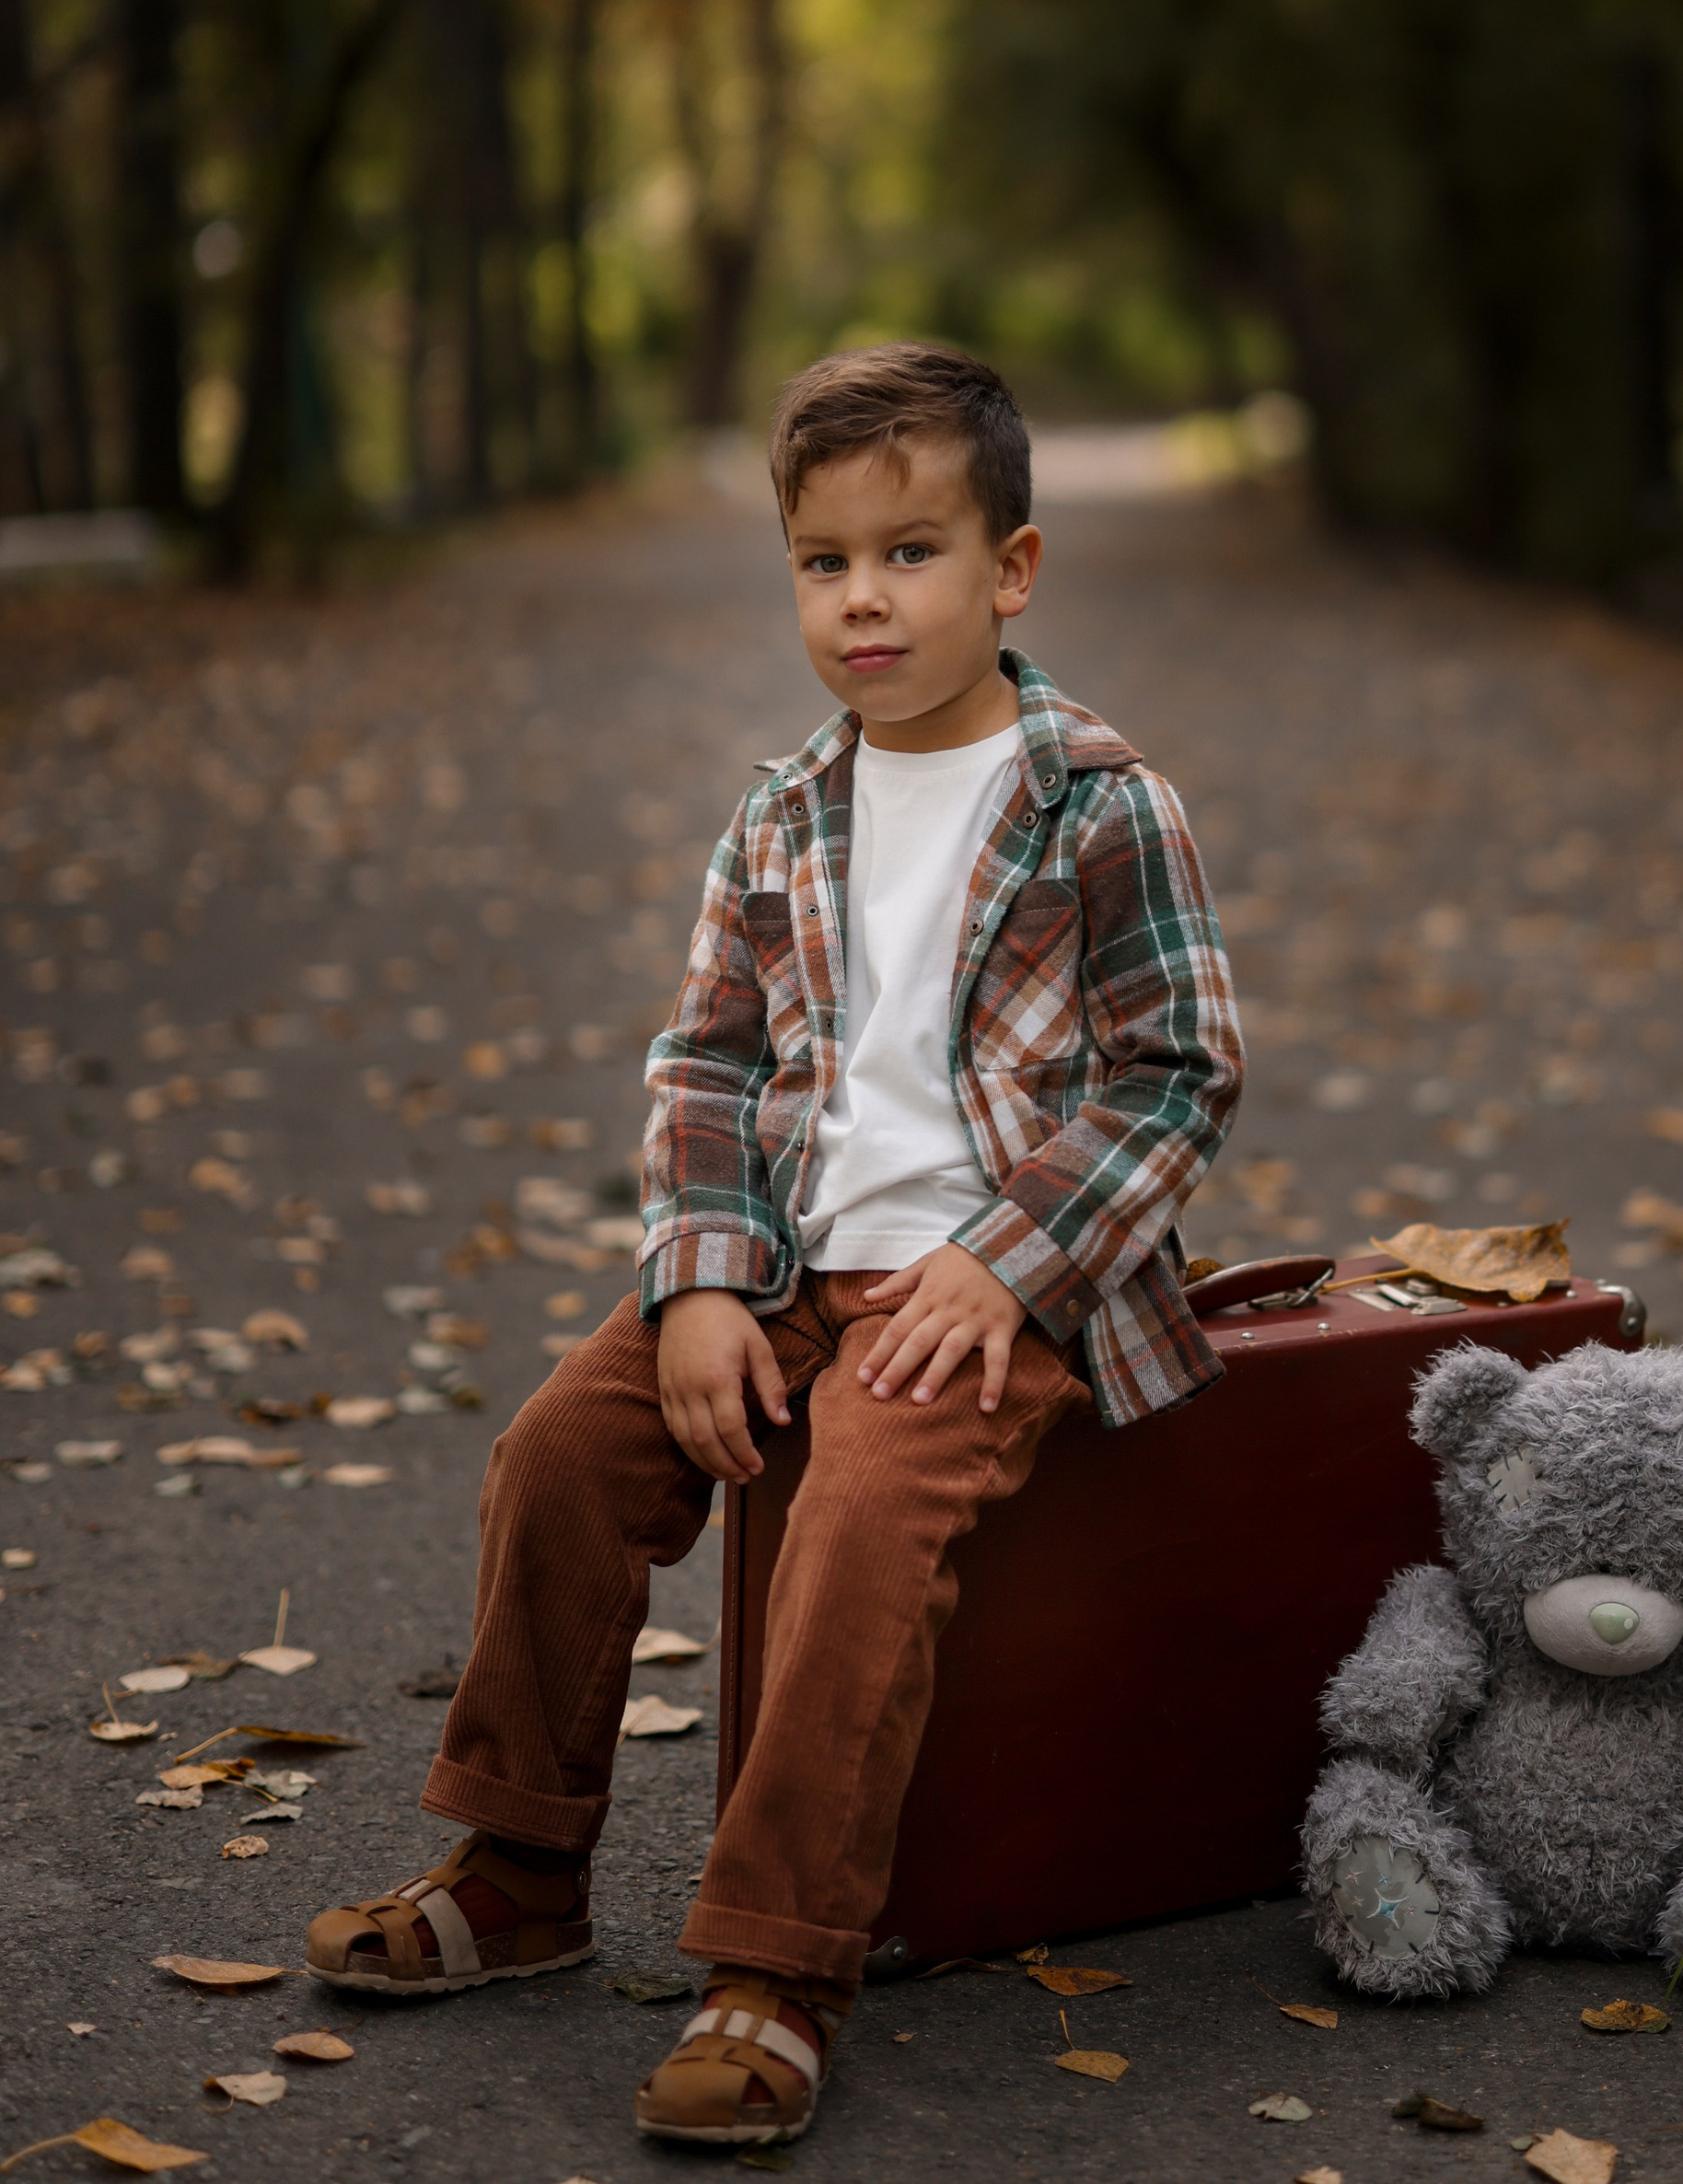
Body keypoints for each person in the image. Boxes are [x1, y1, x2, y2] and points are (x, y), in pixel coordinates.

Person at [303, 343, 1244, 2148]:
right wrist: (705, 1281)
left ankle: (776, 1961)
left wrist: (1005, 1261)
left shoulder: (1101, 800)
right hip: (792, 1261)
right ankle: (517, 1868)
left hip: (993, 1287)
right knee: (562, 1451)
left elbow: (1177, 1070)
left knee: (860, 1510)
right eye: (823, 560)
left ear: (1011, 568)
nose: (863, 597)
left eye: (910, 552)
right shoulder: (779, 809)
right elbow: (708, 1059)